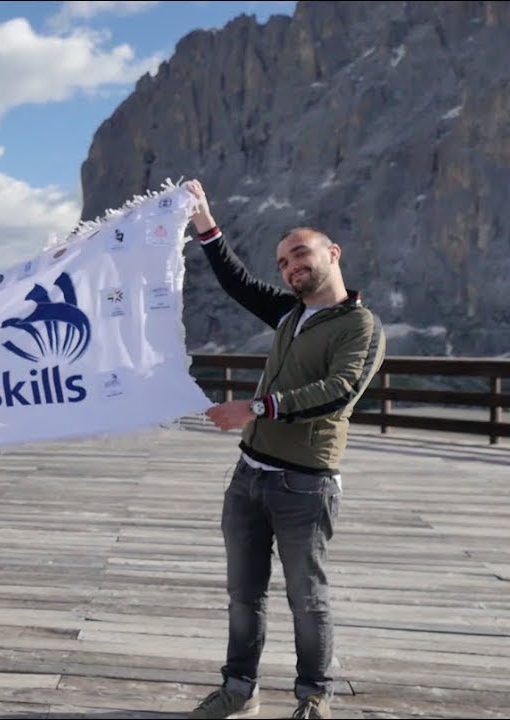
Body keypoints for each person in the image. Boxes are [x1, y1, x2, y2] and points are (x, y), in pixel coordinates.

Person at [182, 180, 386, 720]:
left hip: (306, 485)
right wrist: (205, 223)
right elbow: (237, 283)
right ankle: (238, 690)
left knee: (307, 598)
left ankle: (312, 697)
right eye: (283, 262)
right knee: (244, 595)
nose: (290, 267)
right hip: (248, 477)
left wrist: (254, 408)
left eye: (300, 253)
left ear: (331, 254)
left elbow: (339, 391)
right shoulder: (291, 315)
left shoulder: (359, 325)